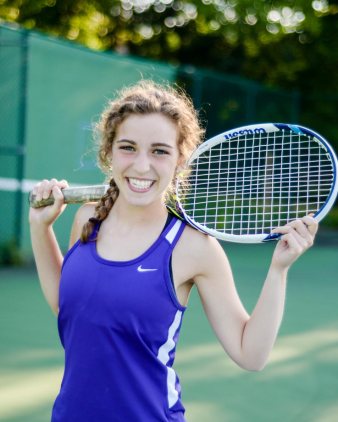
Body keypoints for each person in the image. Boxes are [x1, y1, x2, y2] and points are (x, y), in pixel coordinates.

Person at [29, 80, 318, 422]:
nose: (141, 166)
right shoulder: (87, 218)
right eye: (128, 147)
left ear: (181, 160)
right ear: (109, 152)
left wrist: (278, 271)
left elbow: (249, 354)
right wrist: (40, 227)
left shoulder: (193, 247)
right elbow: (68, 308)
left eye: (159, 151)